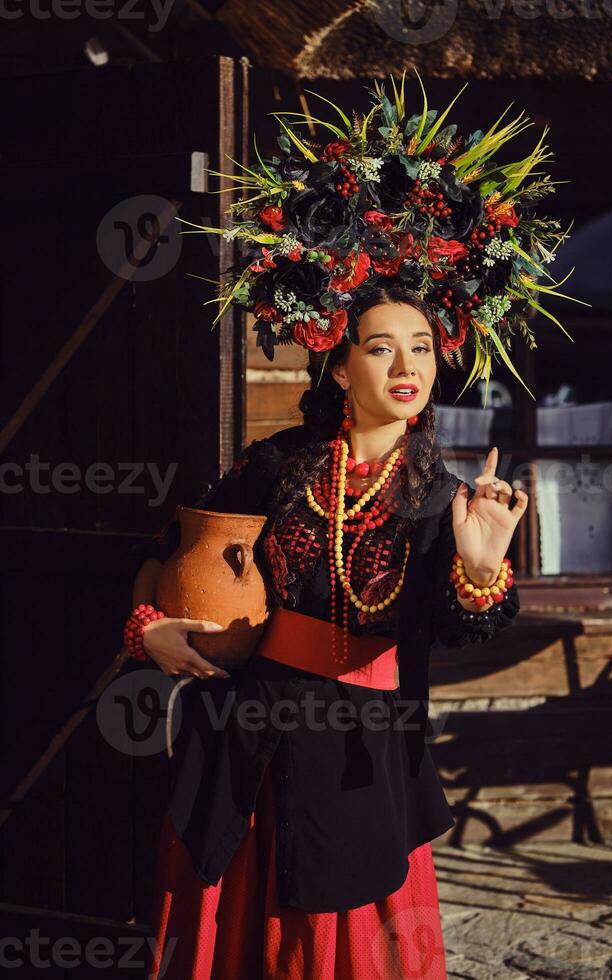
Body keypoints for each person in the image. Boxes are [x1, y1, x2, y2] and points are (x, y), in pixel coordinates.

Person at [126, 283, 528, 980]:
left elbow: (458, 627)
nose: (406, 366)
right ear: (340, 370)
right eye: (381, 348)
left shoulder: (444, 500)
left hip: (362, 746)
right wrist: (149, 630)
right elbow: (169, 552)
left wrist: (482, 562)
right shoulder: (276, 467)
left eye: (421, 348)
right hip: (248, 727)